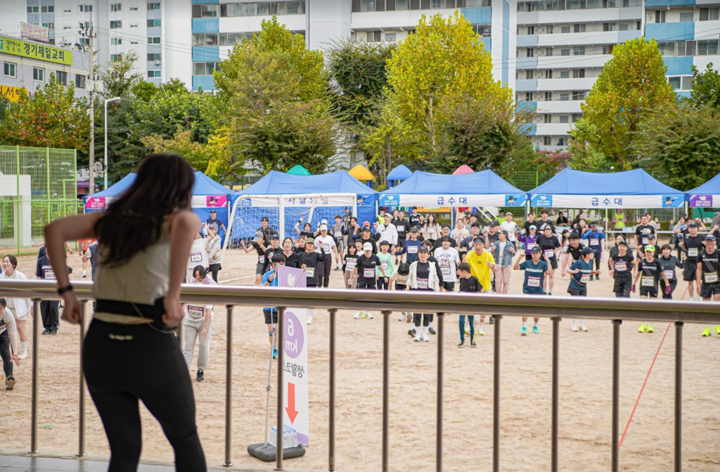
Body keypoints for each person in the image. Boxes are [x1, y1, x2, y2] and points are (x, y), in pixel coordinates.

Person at [43, 153, 207, 471]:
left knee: (125, 451)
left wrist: (67, 293)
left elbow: (54, 230)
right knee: (184, 437)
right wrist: (173, 294)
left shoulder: (112, 219)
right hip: (148, 344)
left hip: (101, 344)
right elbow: (188, 222)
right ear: (179, 188)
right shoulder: (175, 219)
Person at [184, 266, 217, 380]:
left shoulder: (209, 286)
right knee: (188, 347)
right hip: (190, 321)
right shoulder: (191, 285)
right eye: (196, 276)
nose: (197, 278)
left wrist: (207, 328)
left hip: (204, 321)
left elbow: (208, 311)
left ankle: (201, 369)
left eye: (199, 276)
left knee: (204, 346)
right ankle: (184, 372)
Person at [633, 245, 671, 334]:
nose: (648, 253)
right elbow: (638, 273)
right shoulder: (642, 262)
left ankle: (650, 324)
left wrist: (667, 284)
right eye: (647, 252)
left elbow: (663, 274)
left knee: (651, 305)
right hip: (644, 285)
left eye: (650, 252)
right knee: (643, 304)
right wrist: (634, 283)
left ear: (653, 253)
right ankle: (642, 324)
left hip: (654, 286)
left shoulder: (657, 262)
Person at [0, 256, 32, 360]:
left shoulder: (20, 276)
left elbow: (29, 291)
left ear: (13, 264)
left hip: (19, 307)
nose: (5, 264)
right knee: (4, 330)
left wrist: (31, 306)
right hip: (6, 308)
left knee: (20, 328)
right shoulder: (1, 276)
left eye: (7, 262)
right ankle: (4, 352)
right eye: (3, 262)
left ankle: (23, 351)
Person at [406, 246, 440, 342]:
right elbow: (410, 277)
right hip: (416, 290)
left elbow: (435, 279)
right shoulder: (413, 264)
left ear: (428, 254)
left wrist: (437, 292)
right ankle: (417, 334)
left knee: (427, 313)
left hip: (428, 291)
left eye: (424, 253)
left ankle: (424, 334)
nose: (423, 254)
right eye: (421, 253)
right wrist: (408, 286)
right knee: (417, 313)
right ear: (418, 254)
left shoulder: (432, 265)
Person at [513, 246, 550, 335]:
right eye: (533, 254)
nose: (535, 255)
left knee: (537, 310)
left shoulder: (543, 264)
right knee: (525, 308)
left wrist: (548, 260)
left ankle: (535, 326)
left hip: (538, 291)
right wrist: (519, 257)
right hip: (527, 290)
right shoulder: (527, 263)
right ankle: (524, 327)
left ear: (540, 254)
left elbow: (550, 272)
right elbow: (515, 268)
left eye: (536, 253)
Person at [465, 238, 496, 335]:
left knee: (485, 308)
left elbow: (495, 270)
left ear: (483, 245)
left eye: (480, 245)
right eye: (476, 245)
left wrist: (492, 266)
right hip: (473, 285)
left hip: (485, 284)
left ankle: (480, 327)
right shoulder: (470, 254)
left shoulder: (488, 255)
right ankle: (468, 326)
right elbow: (466, 268)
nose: (478, 247)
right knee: (470, 307)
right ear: (473, 245)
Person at [567, 247, 599, 332]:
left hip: (583, 286)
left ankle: (582, 324)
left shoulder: (591, 262)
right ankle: (574, 324)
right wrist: (574, 272)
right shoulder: (579, 262)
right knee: (575, 305)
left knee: (583, 305)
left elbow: (586, 272)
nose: (593, 254)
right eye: (591, 253)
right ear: (587, 255)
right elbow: (568, 270)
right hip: (575, 286)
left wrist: (594, 272)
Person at [261, 254, 287, 358]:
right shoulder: (268, 274)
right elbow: (262, 289)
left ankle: (282, 347)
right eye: (275, 264)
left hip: (283, 307)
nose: (278, 267)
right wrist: (269, 281)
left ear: (284, 264)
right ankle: (274, 347)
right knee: (272, 329)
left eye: (280, 264)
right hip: (269, 307)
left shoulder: (287, 275)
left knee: (283, 330)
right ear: (272, 265)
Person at [354, 242, 388, 319]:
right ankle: (359, 310)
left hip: (371, 280)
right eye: (366, 251)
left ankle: (367, 312)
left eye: (369, 250)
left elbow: (380, 267)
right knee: (361, 294)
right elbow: (355, 268)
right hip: (363, 279)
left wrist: (385, 276)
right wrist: (352, 277)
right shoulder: (360, 258)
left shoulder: (375, 258)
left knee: (371, 295)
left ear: (371, 250)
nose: (368, 252)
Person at [697, 235, 720, 336]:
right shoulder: (701, 254)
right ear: (705, 243)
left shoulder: (718, 253)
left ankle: (717, 325)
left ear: (715, 242)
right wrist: (698, 283)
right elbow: (699, 269)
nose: (710, 243)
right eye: (708, 241)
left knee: (716, 302)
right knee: (706, 305)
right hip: (706, 282)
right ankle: (707, 327)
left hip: (717, 282)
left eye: (712, 241)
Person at [456, 263, 483, 348]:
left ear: (464, 272)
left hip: (471, 304)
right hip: (462, 304)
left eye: (460, 272)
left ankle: (472, 340)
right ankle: (462, 340)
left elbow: (481, 288)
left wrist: (478, 298)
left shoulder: (474, 279)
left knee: (471, 322)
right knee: (461, 321)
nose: (459, 273)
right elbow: (461, 289)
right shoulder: (462, 279)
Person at [36, 249, 61, 335]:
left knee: (53, 307)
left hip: (55, 288)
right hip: (45, 288)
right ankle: (47, 326)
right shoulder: (41, 261)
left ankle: (54, 325)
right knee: (45, 307)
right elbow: (39, 276)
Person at [679, 222, 705, 301]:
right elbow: (683, 246)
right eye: (691, 228)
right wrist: (685, 252)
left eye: (694, 227)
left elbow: (705, 247)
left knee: (699, 280)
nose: (693, 229)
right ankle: (691, 297)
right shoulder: (686, 238)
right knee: (690, 281)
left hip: (698, 262)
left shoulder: (701, 238)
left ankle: (700, 296)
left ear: (697, 229)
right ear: (689, 229)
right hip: (689, 262)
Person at [0, 298, 21, 391]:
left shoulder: (8, 315)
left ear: (4, 307)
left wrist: (15, 353)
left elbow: (12, 333)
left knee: (6, 353)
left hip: (2, 333)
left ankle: (9, 378)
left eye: (0, 309)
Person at [537, 225, 560, 295]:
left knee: (551, 275)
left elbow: (559, 246)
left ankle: (550, 291)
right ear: (544, 230)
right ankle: (544, 291)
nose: (547, 230)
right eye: (546, 229)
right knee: (544, 275)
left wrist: (554, 251)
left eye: (549, 229)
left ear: (551, 230)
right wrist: (540, 251)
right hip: (543, 258)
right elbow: (536, 243)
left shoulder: (554, 238)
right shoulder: (541, 237)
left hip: (552, 258)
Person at [492, 230, 515, 294]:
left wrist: (512, 251)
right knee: (497, 281)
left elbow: (514, 254)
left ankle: (505, 294)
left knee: (506, 280)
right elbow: (492, 254)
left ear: (505, 235)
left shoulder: (509, 243)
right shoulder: (496, 243)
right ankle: (498, 295)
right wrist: (492, 250)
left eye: (500, 234)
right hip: (497, 263)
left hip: (507, 264)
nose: (499, 235)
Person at [315, 224, 337, 289]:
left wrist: (336, 254)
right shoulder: (318, 238)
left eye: (324, 230)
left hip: (328, 255)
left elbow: (334, 246)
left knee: (327, 273)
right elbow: (313, 246)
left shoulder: (330, 238)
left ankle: (326, 287)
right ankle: (319, 286)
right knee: (320, 273)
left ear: (327, 231)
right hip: (320, 255)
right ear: (320, 231)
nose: (323, 232)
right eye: (322, 231)